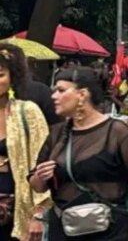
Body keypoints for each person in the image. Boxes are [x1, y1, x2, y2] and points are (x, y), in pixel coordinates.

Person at [31, 67, 128, 240]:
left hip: (108, 230)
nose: (54, 96)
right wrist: (40, 176)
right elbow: (37, 186)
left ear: (82, 94)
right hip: (64, 229)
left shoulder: (118, 133)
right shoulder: (56, 135)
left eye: (61, 90)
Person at [0, 46, 51, 241]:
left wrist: (38, 214)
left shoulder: (27, 112)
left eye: (1, 75)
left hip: (18, 201)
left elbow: (41, 164)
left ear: (12, 77)